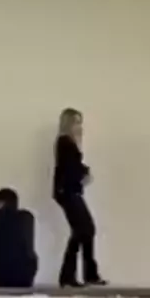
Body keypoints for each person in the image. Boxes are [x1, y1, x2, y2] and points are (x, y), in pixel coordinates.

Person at [53, 108, 106, 288]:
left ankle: (74, 276)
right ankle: (78, 275)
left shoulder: (67, 143)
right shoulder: (65, 142)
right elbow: (69, 168)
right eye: (76, 122)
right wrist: (83, 174)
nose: (79, 126)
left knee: (82, 231)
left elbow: (71, 166)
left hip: (68, 192)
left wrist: (83, 172)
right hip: (68, 192)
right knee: (84, 230)